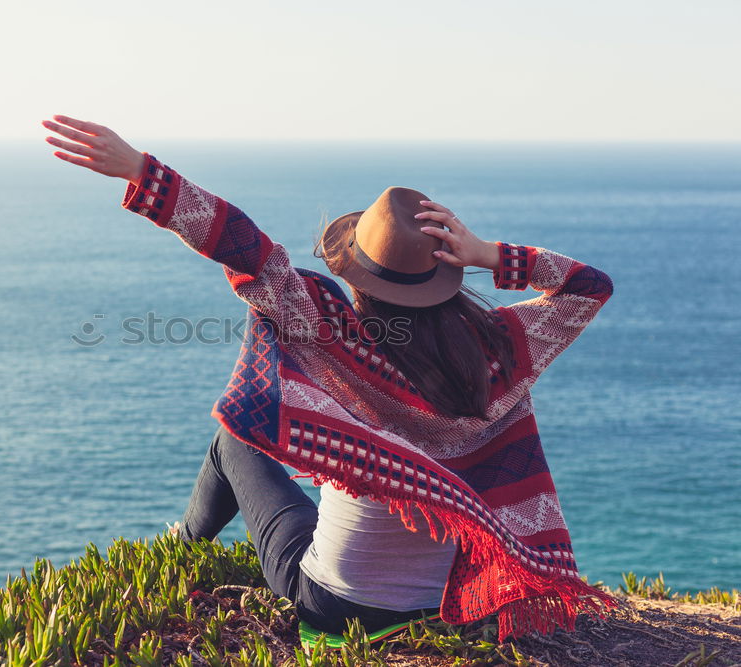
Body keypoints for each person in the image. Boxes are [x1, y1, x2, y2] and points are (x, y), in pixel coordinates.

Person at [41, 115, 620, 642]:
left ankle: (178, 550)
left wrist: (146, 173)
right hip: (456, 603)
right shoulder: (500, 355)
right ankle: (184, 549)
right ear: (446, 271)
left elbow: (249, 251)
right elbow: (589, 287)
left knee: (232, 440)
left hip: (337, 605)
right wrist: (488, 253)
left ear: (358, 277)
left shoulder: (331, 336)